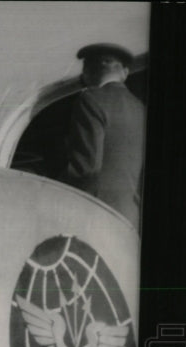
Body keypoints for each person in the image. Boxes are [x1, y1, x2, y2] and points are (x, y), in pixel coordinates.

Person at [61, 43, 145, 229]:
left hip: (96, 216)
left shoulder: (90, 99)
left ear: (87, 71)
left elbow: (86, 169)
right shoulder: (141, 108)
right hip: (130, 217)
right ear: (124, 72)